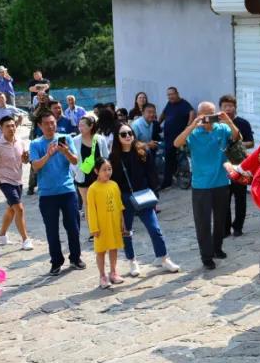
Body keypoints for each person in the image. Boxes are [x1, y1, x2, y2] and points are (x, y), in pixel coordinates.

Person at [174, 102, 240, 270]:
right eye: (205, 114)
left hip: (221, 182)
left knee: (220, 220)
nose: (209, 118)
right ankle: (206, 256)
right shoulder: (194, 133)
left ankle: (217, 248)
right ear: (199, 115)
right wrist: (193, 125)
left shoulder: (221, 128)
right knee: (203, 223)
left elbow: (236, 136)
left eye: (212, 113)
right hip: (201, 185)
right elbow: (177, 143)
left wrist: (228, 121)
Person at [110, 124, 179, 276]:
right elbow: (113, 181)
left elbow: (152, 174)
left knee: (155, 229)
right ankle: (132, 260)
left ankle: (164, 258)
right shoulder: (114, 157)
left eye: (129, 132)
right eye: (123, 134)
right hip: (125, 197)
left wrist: (155, 195)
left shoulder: (143, 150)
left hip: (143, 195)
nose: (128, 136)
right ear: (117, 138)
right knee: (126, 231)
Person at [30, 110, 84, 276]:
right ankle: (56, 261)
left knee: (73, 227)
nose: (50, 126)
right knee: (51, 230)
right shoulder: (35, 144)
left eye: (52, 122)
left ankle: (75, 257)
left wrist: (65, 151)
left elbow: (75, 160)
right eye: (46, 123)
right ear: (40, 125)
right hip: (47, 194)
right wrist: (48, 154)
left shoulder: (66, 138)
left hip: (67, 190)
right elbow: (35, 166)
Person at [0, 115, 33, 250]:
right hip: (5, 181)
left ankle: (1, 234)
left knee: (11, 210)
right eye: (7, 126)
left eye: (13, 125)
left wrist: (26, 158)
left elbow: (24, 161)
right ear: (1, 128)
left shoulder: (20, 142)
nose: (11, 128)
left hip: (18, 181)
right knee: (19, 208)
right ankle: (25, 239)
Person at [86, 158, 126, 289]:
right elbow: (91, 210)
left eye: (109, 169)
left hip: (113, 223)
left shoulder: (114, 185)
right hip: (101, 226)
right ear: (97, 171)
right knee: (101, 251)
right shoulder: (93, 189)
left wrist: (122, 222)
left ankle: (113, 272)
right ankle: (102, 275)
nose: (107, 172)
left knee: (114, 248)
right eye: (104, 170)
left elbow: (119, 205)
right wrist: (94, 228)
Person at [219, 94, 255, 238]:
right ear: (220, 108)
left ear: (235, 107)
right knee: (224, 199)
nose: (228, 109)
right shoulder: (217, 125)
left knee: (240, 198)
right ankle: (225, 228)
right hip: (223, 167)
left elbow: (251, 142)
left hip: (240, 165)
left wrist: (235, 144)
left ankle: (238, 227)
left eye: (230, 106)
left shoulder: (243, 123)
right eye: (225, 106)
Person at [70, 115, 108, 230]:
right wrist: (76, 171)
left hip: (99, 175)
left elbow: (105, 156)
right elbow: (73, 159)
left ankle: (103, 225)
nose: (80, 127)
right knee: (87, 203)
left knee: (101, 202)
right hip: (83, 176)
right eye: (79, 125)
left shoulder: (100, 139)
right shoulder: (75, 140)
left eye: (83, 125)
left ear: (91, 126)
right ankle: (93, 230)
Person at [159, 87, 194, 190]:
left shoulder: (184, 104)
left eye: (172, 94)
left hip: (178, 137)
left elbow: (192, 112)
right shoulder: (169, 104)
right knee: (170, 158)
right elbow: (163, 114)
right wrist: (157, 123)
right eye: (168, 95)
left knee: (169, 159)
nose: (170, 96)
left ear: (177, 93)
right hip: (168, 136)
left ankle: (167, 182)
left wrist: (188, 127)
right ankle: (172, 176)